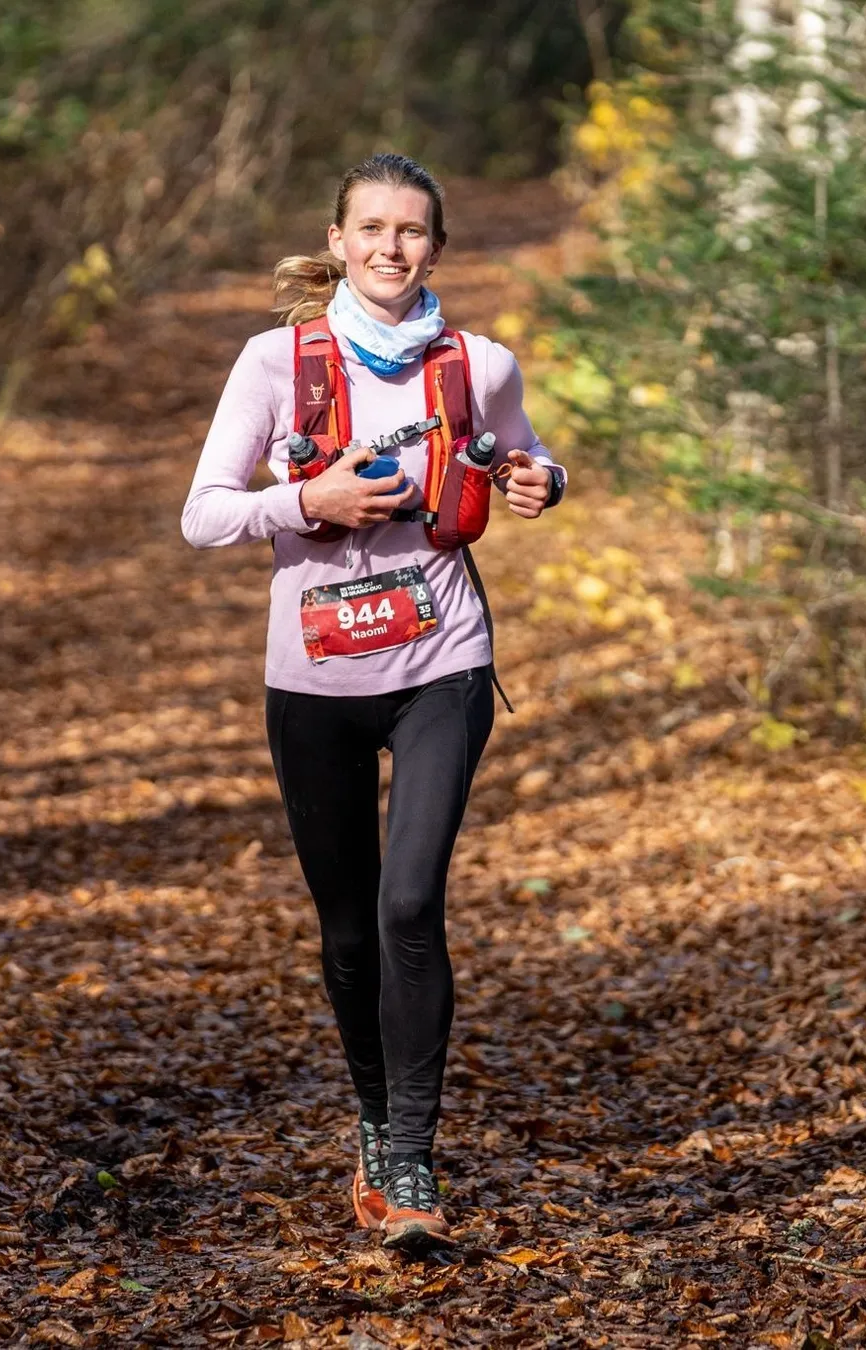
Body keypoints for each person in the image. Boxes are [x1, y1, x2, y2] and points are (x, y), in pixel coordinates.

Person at [181, 153, 566, 1249]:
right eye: (373, 229)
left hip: (444, 660)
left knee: (409, 906)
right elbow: (203, 515)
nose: (393, 248)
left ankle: (411, 1163)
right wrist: (311, 497)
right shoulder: (273, 363)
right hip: (312, 680)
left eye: (413, 232)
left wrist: (547, 482)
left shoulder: (479, 363)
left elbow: (526, 458)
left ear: (436, 248)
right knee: (348, 930)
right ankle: (372, 1114)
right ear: (339, 241)